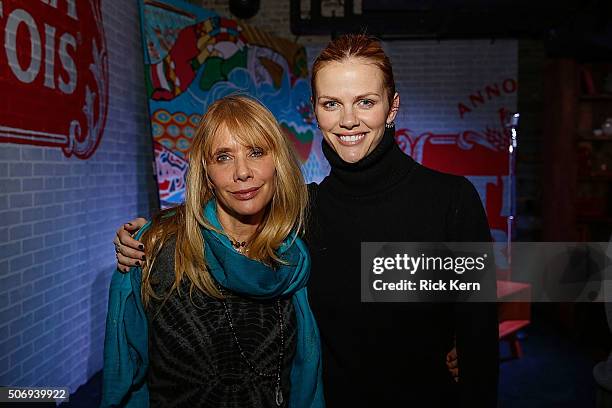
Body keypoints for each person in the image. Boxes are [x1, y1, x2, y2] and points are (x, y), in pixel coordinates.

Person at [114, 35, 498, 407]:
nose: (348, 120)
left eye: (365, 102)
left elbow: (478, 343)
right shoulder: (300, 212)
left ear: (391, 107)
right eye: (332, 104)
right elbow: (226, 219)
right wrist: (147, 237)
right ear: (315, 110)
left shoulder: (450, 201)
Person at [102, 95, 324, 408]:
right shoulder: (157, 249)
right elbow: (124, 376)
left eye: (256, 152)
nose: (242, 172)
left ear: (277, 160)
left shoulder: (295, 254)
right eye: (223, 157)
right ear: (206, 171)